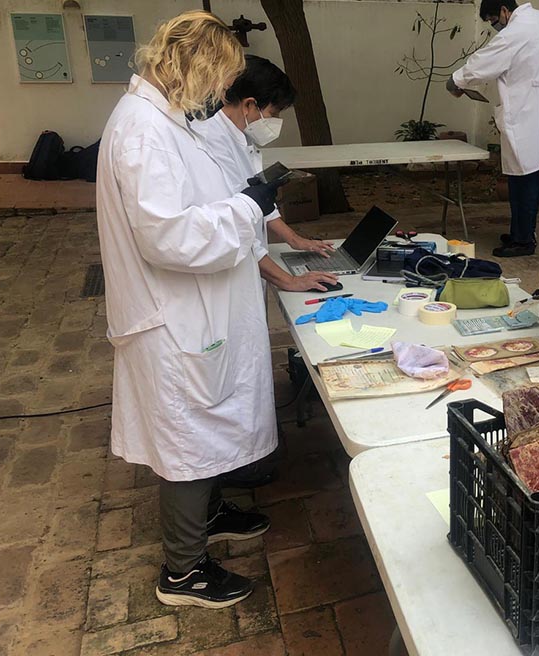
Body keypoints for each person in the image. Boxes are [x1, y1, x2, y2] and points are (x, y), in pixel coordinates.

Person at [96, 11, 284, 609]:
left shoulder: (166, 120)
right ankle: (183, 571)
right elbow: (168, 235)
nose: (216, 94)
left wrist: (243, 201)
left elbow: (192, 197)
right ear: (197, 68)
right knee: (188, 433)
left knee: (210, 418)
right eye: (216, 79)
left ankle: (209, 512)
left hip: (196, 310)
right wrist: (246, 210)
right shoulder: (142, 130)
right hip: (172, 318)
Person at [192, 55, 338, 293]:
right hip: (230, 271)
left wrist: (294, 239)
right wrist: (289, 280)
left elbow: (260, 203)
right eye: (274, 112)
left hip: (248, 264)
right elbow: (235, 229)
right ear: (249, 105)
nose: (276, 121)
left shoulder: (241, 136)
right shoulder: (211, 146)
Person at [447, 0, 539, 258]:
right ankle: (520, 231)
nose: (495, 26)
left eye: (493, 20)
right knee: (528, 174)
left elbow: (485, 61)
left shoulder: (516, 31)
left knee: (523, 178)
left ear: (504, 10)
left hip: (524, 113)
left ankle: (523, 240)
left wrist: (456, 80)